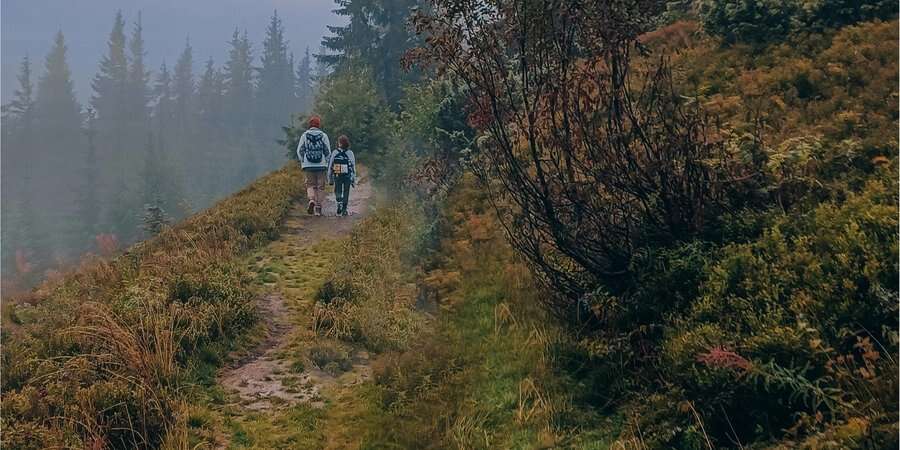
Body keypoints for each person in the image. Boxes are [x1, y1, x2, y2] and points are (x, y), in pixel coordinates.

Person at [296, 115, 331, 216]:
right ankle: (318, 209)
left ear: (309, 125)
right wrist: (327, 162)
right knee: (320, 187)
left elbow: (299, 150)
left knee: (310, 185)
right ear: (319, 125)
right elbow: (327, 151)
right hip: (321, 165)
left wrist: (303, 160)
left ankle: (311, 200)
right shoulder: (324, 136)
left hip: (308, 165)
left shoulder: (304, 135)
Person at [327, 135, 356, 216]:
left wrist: (329, 178)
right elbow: (353, 166)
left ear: (339, 143)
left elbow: (330, 166)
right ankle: (344, 209)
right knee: (346, 192)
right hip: (347, 175)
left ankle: (339, 202)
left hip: (337, 175)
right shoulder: (350, 153)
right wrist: (353, 179)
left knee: (338, 190)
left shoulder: (335, 152)